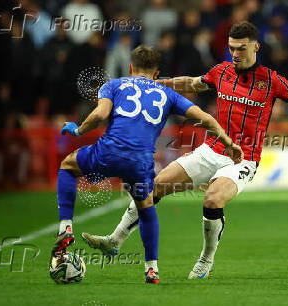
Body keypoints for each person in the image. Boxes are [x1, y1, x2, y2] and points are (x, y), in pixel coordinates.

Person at [83, 21, 288, 280]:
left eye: (241, 48)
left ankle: (206, 259)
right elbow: (191, 83)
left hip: (243, 159)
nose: (235, 53)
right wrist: (156, 83)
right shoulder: (221, 71)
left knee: (213, 200)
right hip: (210, 150)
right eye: (231, 48)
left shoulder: (272, 81)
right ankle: (114, 240)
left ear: (255, 47)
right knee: (153, 188)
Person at [52, 45, 243, 284]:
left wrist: (79, 129)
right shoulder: (168, 93)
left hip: (109, 152)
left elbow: (100, 115)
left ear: (131, 68)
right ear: (156, 73)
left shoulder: (113, 85)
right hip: (140, 162)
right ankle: (151, 269)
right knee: (146, 205)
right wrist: (227, 142)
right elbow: (205, 118)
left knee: (68, 166)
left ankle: (66, 227)